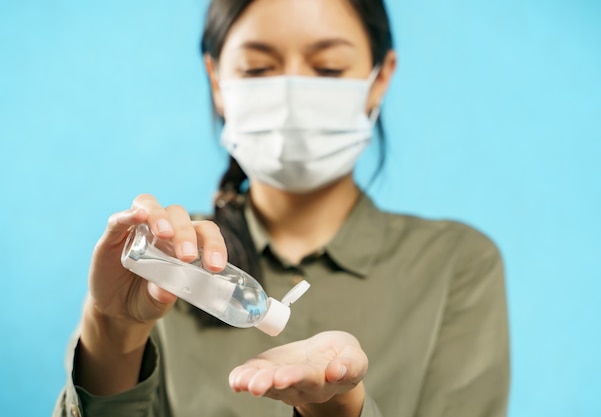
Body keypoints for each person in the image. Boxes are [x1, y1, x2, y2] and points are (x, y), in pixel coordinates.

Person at [54, 0, 510, 416]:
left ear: (380, 78)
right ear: (217, 80)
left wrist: (341, 410)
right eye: (257, 69)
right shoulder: (169, 266)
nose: (292, 99)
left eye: (328, 68)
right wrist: (113, 330)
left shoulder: (455, 266)